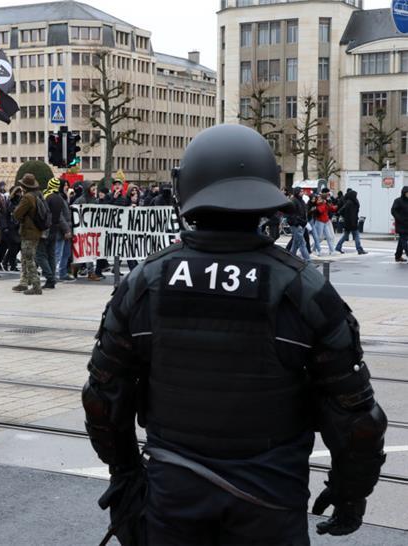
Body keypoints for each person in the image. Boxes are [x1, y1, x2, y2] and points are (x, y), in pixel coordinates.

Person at [82, 124, 387, 546]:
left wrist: (126, 472)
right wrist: (350, 493)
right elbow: (357, 418)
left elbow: (101, 398)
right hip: (270, 502)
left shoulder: (145, 282)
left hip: (173, 498)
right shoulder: (304, 288)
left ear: (184, 190)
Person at [12, 174, 44, 295]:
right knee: (26, 258)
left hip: (28, 231)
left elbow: (17, 213)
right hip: (36, 231)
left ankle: (36, 285)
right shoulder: (38, 195)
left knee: (28, 258)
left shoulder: (27, 198)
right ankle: (23, 282)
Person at [335, 188, 367, 255]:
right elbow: (350, 213)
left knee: (345, 236)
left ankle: (338, 247)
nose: (356, 196)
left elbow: (341, 211)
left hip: (349, 222)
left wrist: (345, 217)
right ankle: (359, 249)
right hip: (352, 223)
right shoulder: (351, 203)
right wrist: (349, 219)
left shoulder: (349, 202)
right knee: (356, 236)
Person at [287, 187, 310, 262]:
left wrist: (304, 222)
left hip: (301, 224)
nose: (302, 193)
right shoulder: (293, 201)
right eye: (301, 191)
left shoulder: (301, 200)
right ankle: (308, 261)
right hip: (297, 225)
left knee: (295, 243)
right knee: (302, 243)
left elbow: (303, 213)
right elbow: (291, 215)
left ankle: (290, 259)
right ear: (297, 192)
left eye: (302, 191)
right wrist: (298, 224)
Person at [392, 185, 408, 263]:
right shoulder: (398, 201)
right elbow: (393, 211)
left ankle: (398, 256)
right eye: (407, 193)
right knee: (404, 240)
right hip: (401, 224)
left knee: (402, 241)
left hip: (407, 224)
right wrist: (399, 219)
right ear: (404, 193)